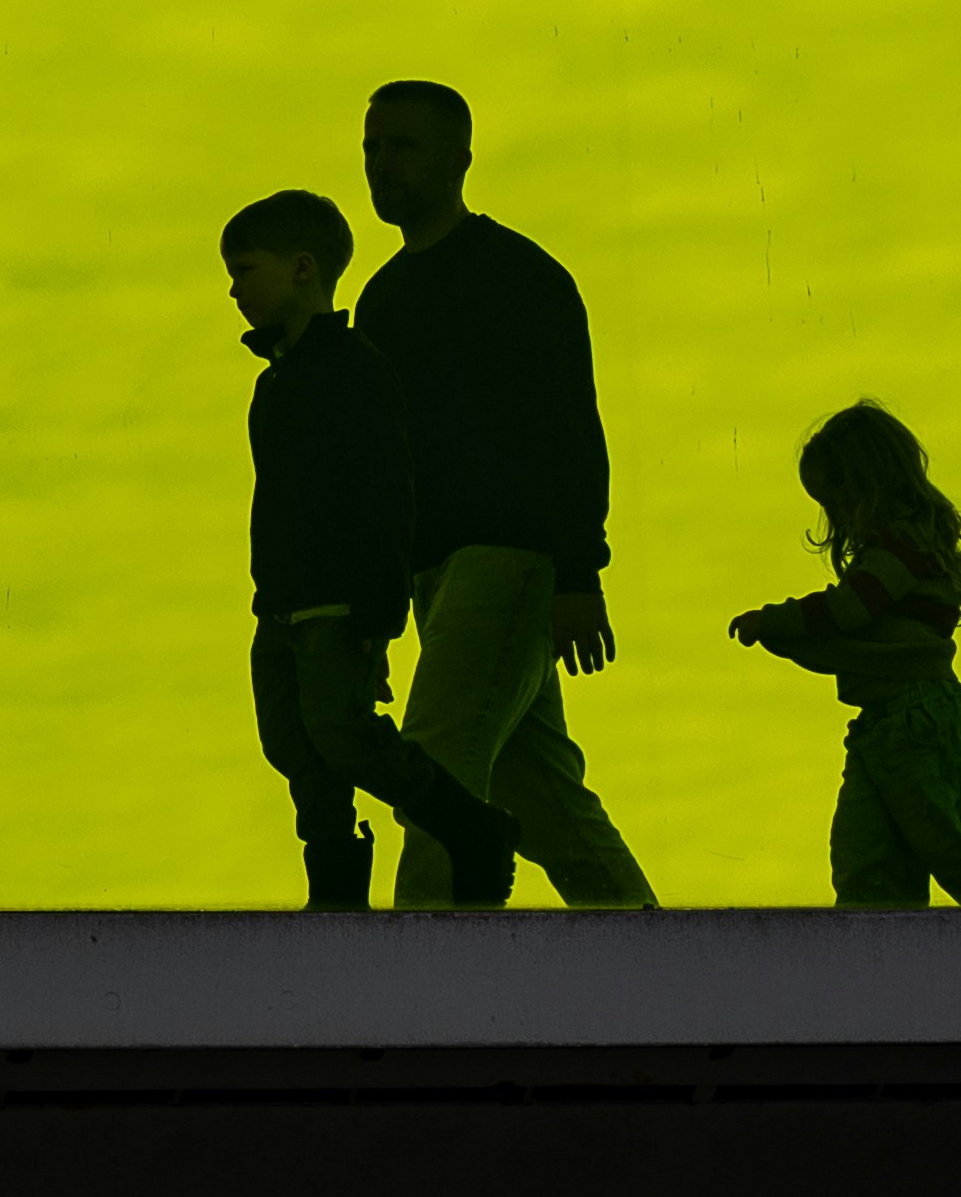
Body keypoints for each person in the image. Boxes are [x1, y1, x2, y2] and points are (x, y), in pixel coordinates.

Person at [353, 79, 658, 907]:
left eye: (403, 146)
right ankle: (662, 969)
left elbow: (568, 431)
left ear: (459, 160)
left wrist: (574, 574)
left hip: (505, 565)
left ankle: (420, 996)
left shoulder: (518, 276)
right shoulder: (380, 300)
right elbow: (384, 475)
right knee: (547, 804)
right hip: (436, 581)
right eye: (374, 147)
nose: (383, 165)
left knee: (438, 774)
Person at [221, 189, 525, 913]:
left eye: (245, 270)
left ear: (302, 268)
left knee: (346, 736)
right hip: (285, 605)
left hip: (336, 601)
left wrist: (378, 612)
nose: (234, 290)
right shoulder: (275, 385)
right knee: (295, 744)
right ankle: (334, 887)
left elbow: (387, 494)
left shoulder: (354, 370)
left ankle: (472, 829)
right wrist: (269, 596)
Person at [729, 401, 961, 908]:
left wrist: (775, 620)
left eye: (837, 498)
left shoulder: (902, 546)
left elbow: (849, 611)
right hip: (883, 726)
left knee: (947, 843)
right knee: (865, 861)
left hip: (918, 717)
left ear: (868, 484)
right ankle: (880, 958)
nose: (835, 515)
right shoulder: (896, 549)